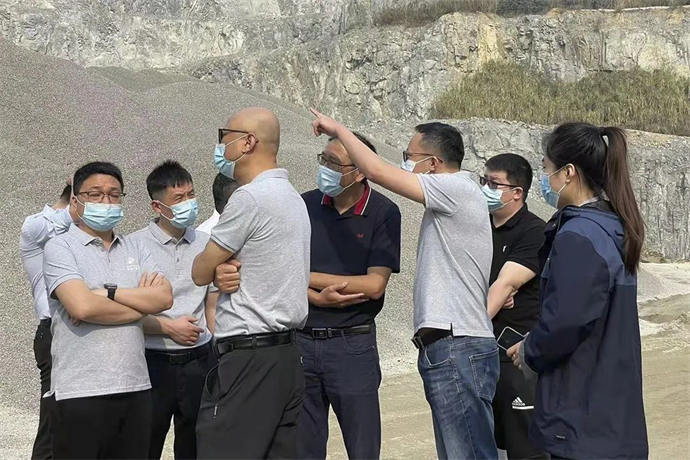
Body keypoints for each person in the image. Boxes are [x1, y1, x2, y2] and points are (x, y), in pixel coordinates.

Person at [310, 109, 499, 460]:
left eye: (410, 156)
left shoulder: (456, 188)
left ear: (433, 163)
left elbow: (377, 172)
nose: (405, 163)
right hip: (448, 346)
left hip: (457, 345)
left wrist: (338, 127)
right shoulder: (454, 199)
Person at [507, 123, 648, 459]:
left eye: (547, 168)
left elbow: (566, 321)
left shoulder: (579, 236)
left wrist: (530, 351)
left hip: (581, 420)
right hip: (608, 416)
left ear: (568, 172)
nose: (546, 179)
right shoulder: (611, 227)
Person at [192, 107, 311, 459]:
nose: (221, 147)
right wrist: (222, 270)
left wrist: (215, 269)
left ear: (247, 143)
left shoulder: (249, 198)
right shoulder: (292, 197)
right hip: (286, 355)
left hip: (249, 357)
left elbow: (199, 271)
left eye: (224, 137)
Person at [42, 161, 173, 459]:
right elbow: (82, 306)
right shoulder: (60, 247)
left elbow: (164, 298)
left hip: (136, 387)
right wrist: (139, 308)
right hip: (80, 391)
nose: (106, 201)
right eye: (95, 194)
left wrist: (108, 293)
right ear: (76, 200)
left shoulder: (136, 248)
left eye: (114, 195)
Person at [298, 133, 401, 459]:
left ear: (359, 172)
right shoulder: (303, 205)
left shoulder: (384, 212)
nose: (325, 168)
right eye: (324, 159)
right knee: (302, 448)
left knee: (362, 447)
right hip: (301, 341)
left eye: (334, 163)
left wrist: (306, 277)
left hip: (352, 346)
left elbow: (374, 286)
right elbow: (280, 270)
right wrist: (315, 296)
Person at [128, 160, 220, 459]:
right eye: (178, 198)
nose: (188, 204)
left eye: (191, 195)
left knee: (196, 445)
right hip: (152, 361)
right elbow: (125, 312)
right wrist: (168, 327)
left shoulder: (207, 243)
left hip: (200, 360)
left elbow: (212, 303)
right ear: (157, 206)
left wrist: (218, 346)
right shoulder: (132, 247)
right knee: (145, 442)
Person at [480, 154, 547, 460]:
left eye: (494, 183)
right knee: (485, 442)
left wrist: (494, 294)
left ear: (517, 192)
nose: (486, 188)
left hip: (513, 355)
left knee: (523, 446)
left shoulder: (534, 231)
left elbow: (503, 286)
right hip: (479, 354)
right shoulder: (478, 226)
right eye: (483, 181)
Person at [20, 182, 77, 460]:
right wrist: (75, 212)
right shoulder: (36, 226)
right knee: (54, 425)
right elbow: (48, 225)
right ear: (75, 198)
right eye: (95, 195)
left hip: (88, 332)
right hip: (54, 332)